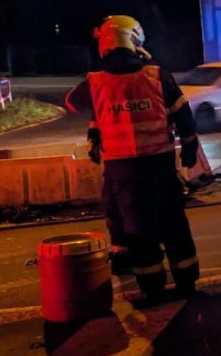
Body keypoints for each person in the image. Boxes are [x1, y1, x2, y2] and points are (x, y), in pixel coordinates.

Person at [63, 15, 200, 305]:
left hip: (123, 173)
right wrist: (189, 150)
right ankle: (187, 280)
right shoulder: (157, 75)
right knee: (173, 223)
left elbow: (72, 103)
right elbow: (184, 117)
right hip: (161, 166)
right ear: (134, 40)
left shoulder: (95, 82)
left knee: (139, 230)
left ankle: (152, 287)